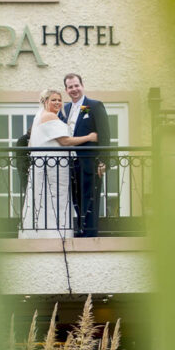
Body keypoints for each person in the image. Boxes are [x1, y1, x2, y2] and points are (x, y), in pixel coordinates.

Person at [19, 88, 96, 238]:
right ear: (45, 101)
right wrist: (90, 137)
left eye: (60, 100)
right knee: (54, 198)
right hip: (53, 166)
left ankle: (47, 233)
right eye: (53, 100)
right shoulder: (49, 116)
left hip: (58, 164)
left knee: (51, 198)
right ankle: (54, 234)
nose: (57, 102)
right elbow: (65, 140)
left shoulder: (57, 114)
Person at [61, 73, 110, 237]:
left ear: (82, 86)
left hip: (90, 162)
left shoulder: (93, 106)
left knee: (90, 199)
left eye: (76, 85)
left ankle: (90, 235)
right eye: (70, 87)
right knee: (76, 198)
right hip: (70, 163)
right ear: (66, 90)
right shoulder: (66, 109)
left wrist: (104, 161)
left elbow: (105, 135)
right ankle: (81, 229)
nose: (74, 89)